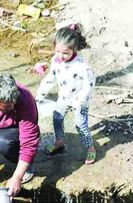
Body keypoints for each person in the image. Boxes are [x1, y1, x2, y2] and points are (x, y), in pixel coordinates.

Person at [36, 24, 97, 165]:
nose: (61, 56)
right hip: (64, 96)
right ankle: (59, 141)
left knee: (80, 125)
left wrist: (81, 102)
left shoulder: (82, 67)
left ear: (74, 50)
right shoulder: (56, 61)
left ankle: (90, 148)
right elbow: (50, 78)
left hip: (79, 99)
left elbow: (88, 86)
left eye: (65, 53)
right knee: (57, 118)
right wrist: (41, 94)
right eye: (58, 51)